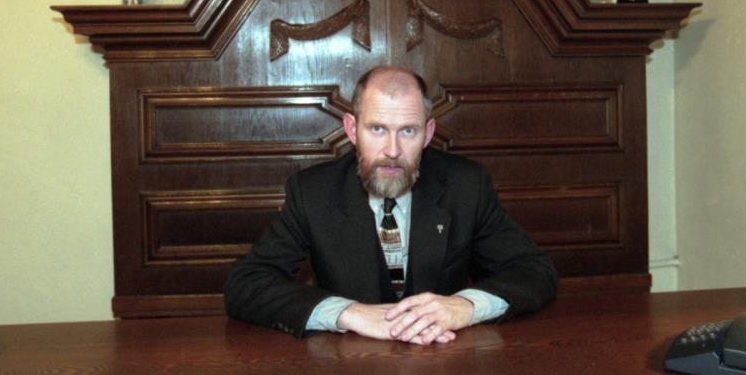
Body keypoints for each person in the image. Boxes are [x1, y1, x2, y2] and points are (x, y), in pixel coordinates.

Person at [224, 66, 557, 345]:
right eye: (377, 129)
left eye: (408, 131)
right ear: (352, 129)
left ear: (428, 133)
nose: (393, 150)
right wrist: (346, 313)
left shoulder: (467, 185)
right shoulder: (312, 192)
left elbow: (535, 271)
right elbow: (245, 284)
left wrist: (465, 306)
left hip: (445, 357)